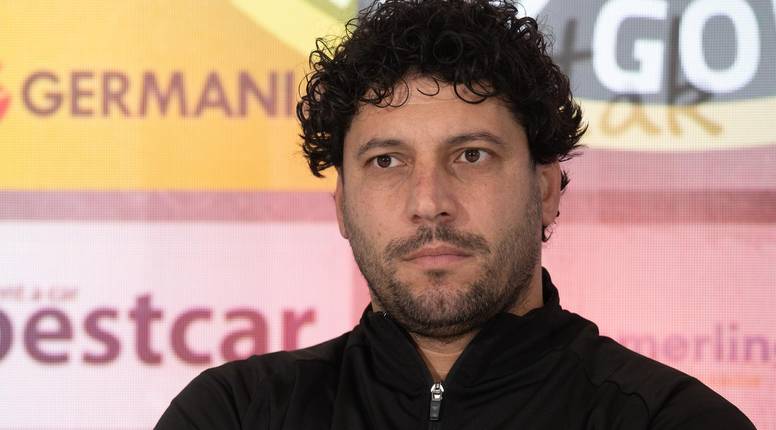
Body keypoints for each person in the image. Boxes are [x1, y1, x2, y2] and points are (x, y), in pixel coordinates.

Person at [156, 0, 755, 428]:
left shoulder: (672, 419)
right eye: (387, 161)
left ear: (545, 188)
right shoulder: (235, 413)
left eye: (471, 155)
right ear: (342, 206)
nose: (429, 202)